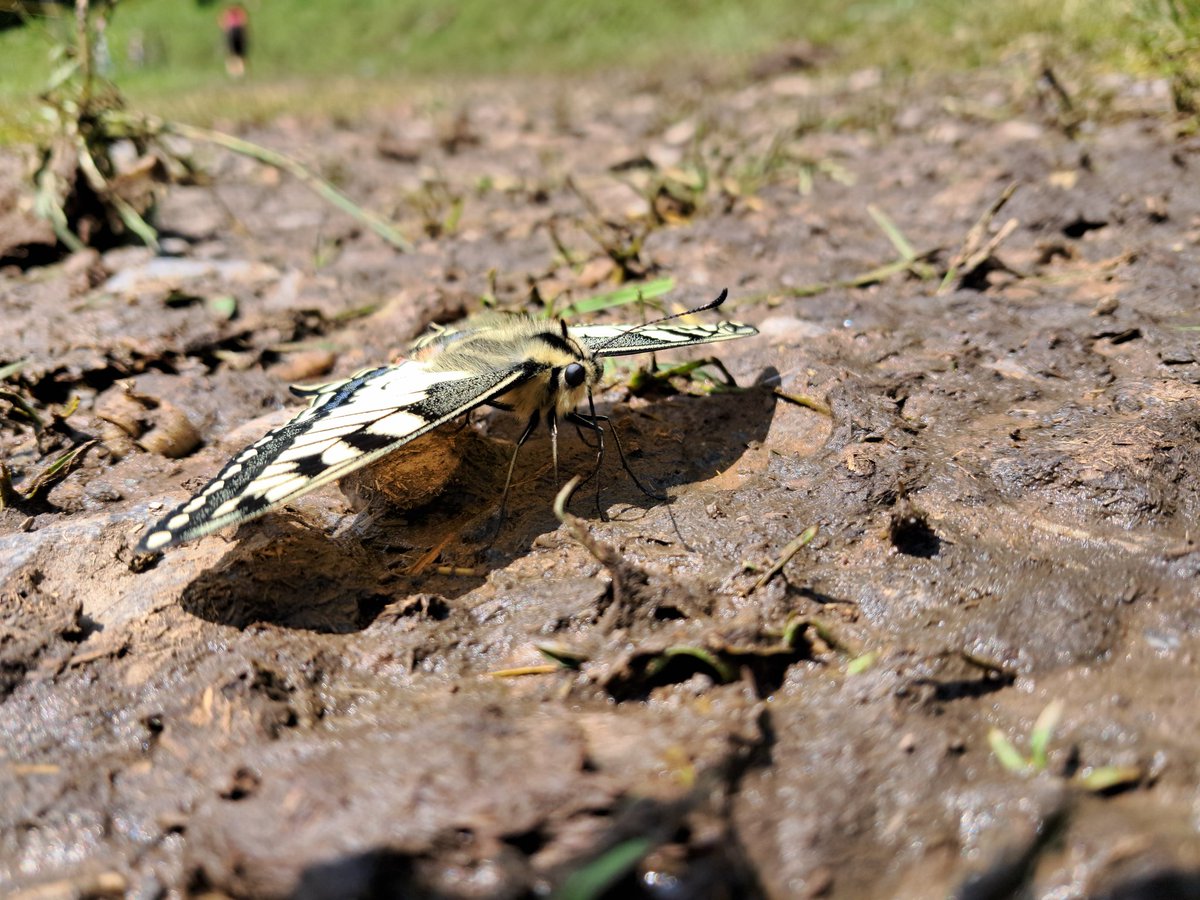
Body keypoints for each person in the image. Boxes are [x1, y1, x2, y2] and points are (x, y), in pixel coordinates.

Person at [219, 5, 248, 78]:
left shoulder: (237, 11)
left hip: (235, 32)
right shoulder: (234, 11)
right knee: (234, 53)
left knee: (236, 53)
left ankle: (238, 71)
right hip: (234, 32)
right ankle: (235, 71)